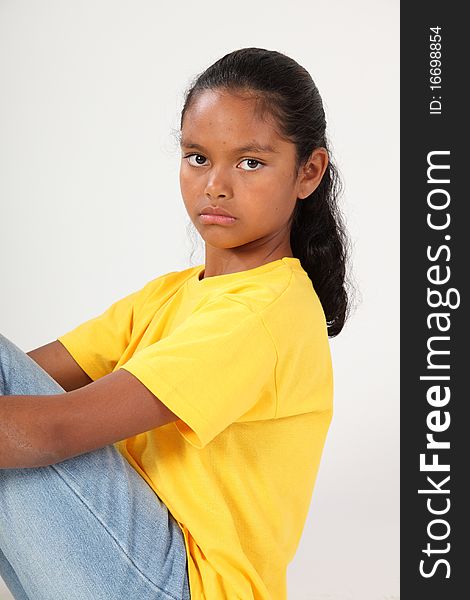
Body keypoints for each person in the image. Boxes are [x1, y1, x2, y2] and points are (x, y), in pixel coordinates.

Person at [0, 47, 350, 599]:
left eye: (251, 162)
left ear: (308, 172)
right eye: (197, 157)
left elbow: (52, 429)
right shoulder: (170, 295)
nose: (216, 185)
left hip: (181, 587)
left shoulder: (263, 312)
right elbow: (25, 382)